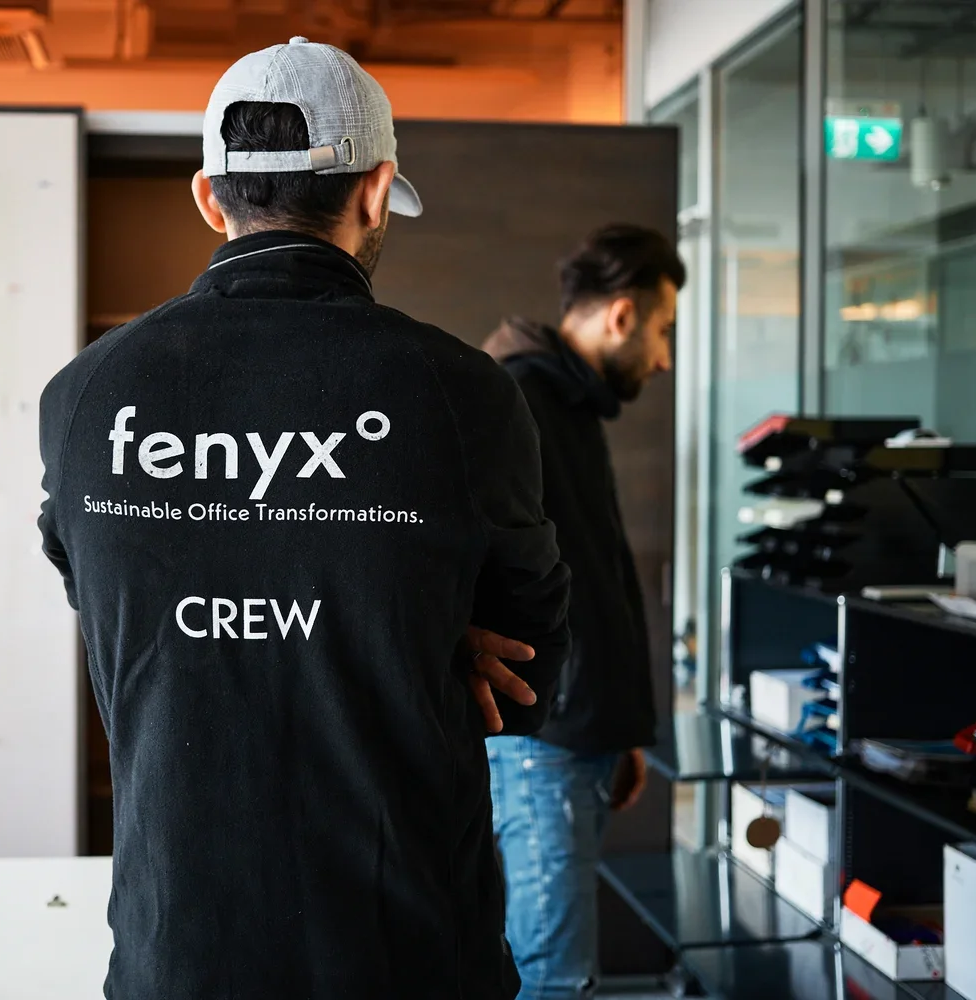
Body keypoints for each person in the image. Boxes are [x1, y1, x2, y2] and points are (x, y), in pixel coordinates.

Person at [37, 37, 571, 1000]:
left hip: (176, 949)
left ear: (211, 197)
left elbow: (95, 578)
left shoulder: (85, 393)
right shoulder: (460, 391)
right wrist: (407, 629)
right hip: (401, 946)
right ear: (375, 192)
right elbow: (532, 662)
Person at [482, 224, 684, 999]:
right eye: (663, 330)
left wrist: (623, 727)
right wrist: (582, 718)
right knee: (554, 978)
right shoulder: (519, 397)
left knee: (555, 968)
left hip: (578, 737)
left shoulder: (571, 403)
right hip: (546, 744)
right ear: (623, 315)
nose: (663, 358)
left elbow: (592, 582)